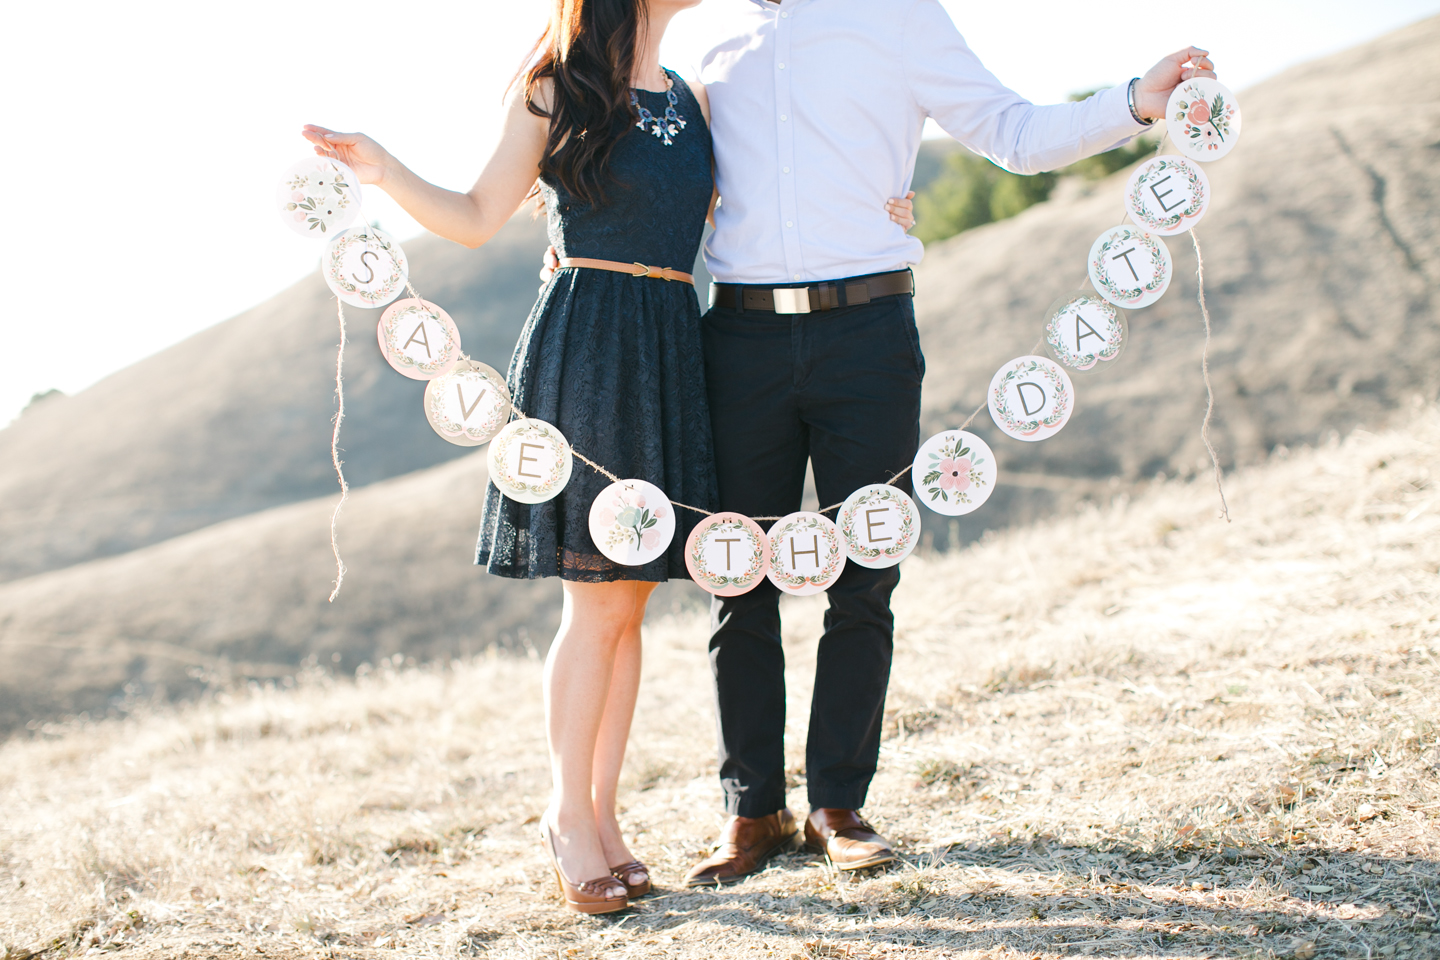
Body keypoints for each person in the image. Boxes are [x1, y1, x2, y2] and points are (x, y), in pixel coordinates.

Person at [304, 0, 913, 914]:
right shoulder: (556, 86)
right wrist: (386, 170)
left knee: (625, 601)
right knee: (594, 602)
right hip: (589, 343)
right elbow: (475, 216)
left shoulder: (692, 95)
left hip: (673, 345)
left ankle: (604, 817)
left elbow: (757, 203)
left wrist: (880, 203)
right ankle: (566, 815)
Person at [680, 0, 1219, 887]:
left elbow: (1011, 130)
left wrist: (1136, 99)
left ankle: (836, 806)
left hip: (868, 334)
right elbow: (675, 180)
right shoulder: (708, 39)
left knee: (866, 577)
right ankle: (752, 813)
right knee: (738, 574)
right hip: (737, 341)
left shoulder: (897, 16)